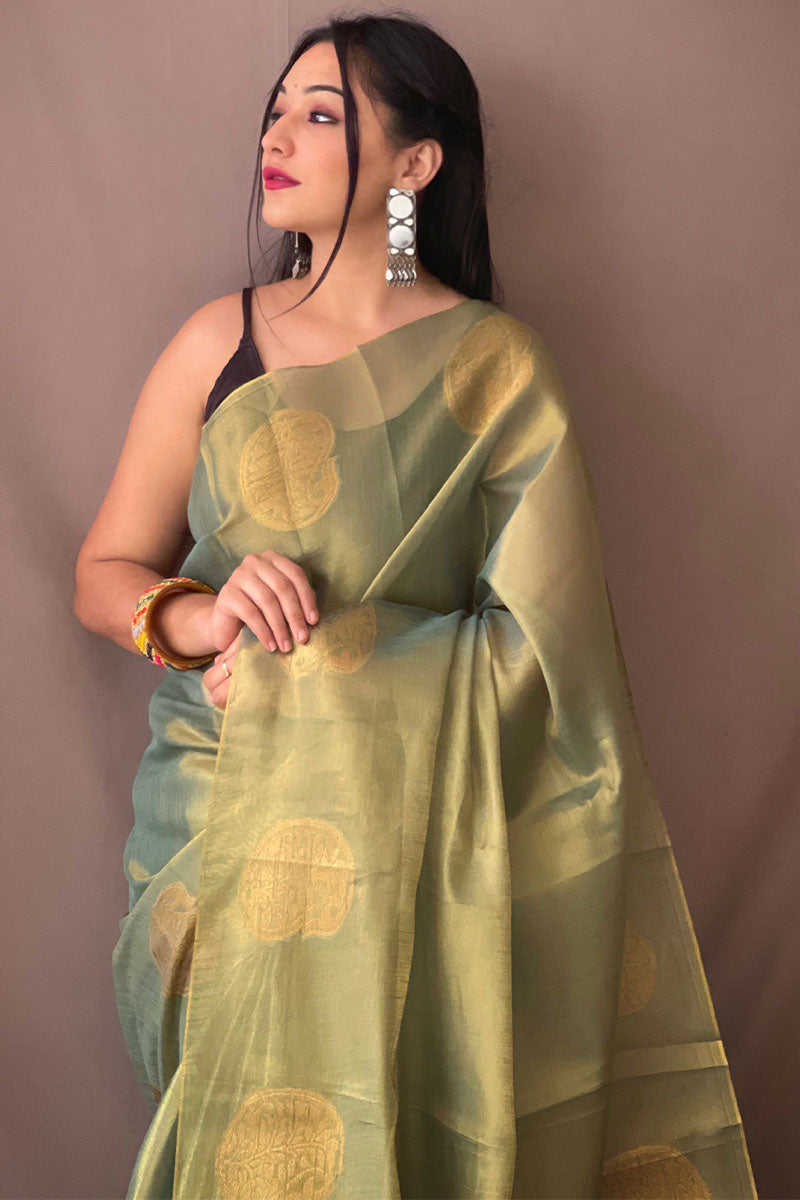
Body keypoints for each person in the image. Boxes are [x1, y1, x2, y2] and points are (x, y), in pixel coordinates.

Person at [73, 13, 758, 1200]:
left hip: (428, 860)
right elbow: (106, 570)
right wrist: (203, 619)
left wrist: (320, 665)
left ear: (416, 162)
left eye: (320, 114)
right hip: (219, 823)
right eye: (274, 112)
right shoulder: (218, 342)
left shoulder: (495, 368)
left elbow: (551, 657)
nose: (276, 138)